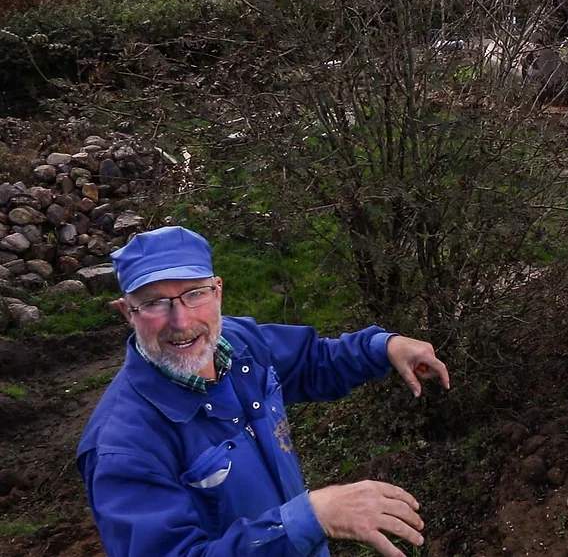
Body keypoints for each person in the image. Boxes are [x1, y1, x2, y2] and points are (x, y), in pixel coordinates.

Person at [77, 226, 450, 557]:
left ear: (217, 291)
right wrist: (311, 518)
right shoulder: (122, 447)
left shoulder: (239, 344)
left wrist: (383, 347)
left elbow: (312, 360)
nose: (182, 321)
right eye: (156, 303)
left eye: (194, 293)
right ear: (128, 312)